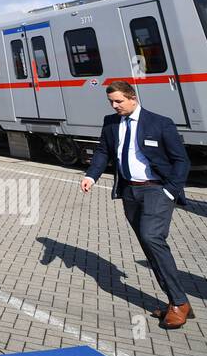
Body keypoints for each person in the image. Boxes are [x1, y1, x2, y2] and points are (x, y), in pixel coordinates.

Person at [81, 80, 193, 329]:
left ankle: (178, 303)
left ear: (133, 97)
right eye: (111, 101)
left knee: (151, 237)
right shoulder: (111, 123)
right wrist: (91, 175)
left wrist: (169, 191)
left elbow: (181, 161)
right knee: (149, 245)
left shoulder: (160, 123)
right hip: (130, 191)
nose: (114, 105)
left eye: (119, 101)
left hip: (156, 189)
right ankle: (177, 301)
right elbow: (103, 152)